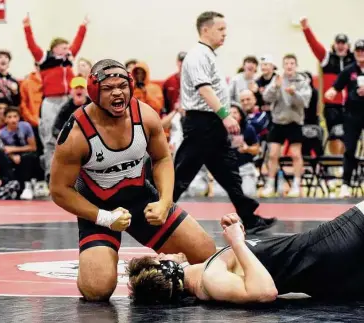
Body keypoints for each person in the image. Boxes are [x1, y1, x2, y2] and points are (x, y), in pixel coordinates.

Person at [49, 59, 216, 302]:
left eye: (122, 86)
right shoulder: (77, 133)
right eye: (108, 88)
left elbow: (161, 159)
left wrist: (165, 202)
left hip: (140, 199)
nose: (117, 92)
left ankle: (159, 265)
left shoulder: (145, 116)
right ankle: (99, 259)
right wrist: (104, 218)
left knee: (206, 253)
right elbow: (59, 190)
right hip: (97, 209)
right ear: (95, 92)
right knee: (97, 291)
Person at [127, 201, 364, 304]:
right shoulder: (209, 280)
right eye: (159, 258)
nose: (162, 253)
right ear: (167, 268)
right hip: (332, 246)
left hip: (328, 264)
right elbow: (264, 291)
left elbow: (257, 265)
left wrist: (239, 236)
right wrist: (238, 241)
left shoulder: (209, 274)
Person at [173, 11, 274, 233]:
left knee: (228, 170)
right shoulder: (198, 55)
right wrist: (225, 115)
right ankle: (157, 213)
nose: (224, 34)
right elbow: (204, 89)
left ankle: (248, 217)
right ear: (205, 29)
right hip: (202, 122)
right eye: (221, 29)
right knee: (183, 170)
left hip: (211, 123)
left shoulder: (208, 55)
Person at [23, 13, 89, 180]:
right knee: (50, 138)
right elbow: (32, 46)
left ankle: (71, 175)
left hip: (67, 100)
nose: (68, 49)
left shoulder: (69, 59)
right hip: (51, 101)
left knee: (72, 136)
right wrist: (27, 27)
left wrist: (83, 26)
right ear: (55, 48)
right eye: (64, 47)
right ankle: (51, 175)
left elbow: (78, 43)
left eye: (68, 47)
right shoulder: (44, 58)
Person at [300, 17, 355, 156]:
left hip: (352, 105)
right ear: (334, 45)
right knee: (335, 135)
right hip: (332, 106)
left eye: (343, 43)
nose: (341, 46)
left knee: (349, 136)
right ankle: (337, 166)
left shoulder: (355, 60)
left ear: (348, 45)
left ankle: (346, 165)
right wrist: (306, 29)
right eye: (338, 43)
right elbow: (314, 45)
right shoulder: (326, 59)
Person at [261, 54, 312, 198]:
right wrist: (275, 88)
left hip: (295, 122)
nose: (289, 66)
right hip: (278, 122)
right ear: (283, 66)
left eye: (292, 63)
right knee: (272, 154)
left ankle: (296, 185)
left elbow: (305, 103)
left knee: (296, 155)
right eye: (287, 63)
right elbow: (266, 98)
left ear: (296, 65)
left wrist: (294, 93)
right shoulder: (277, 79)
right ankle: (270, 184)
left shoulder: (302, 81)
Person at [325, 39, 364, 198]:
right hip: (352, 115)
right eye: (358, 51)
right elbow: (335, 88)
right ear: (354, 52)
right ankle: (345, 184)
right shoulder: (349, 70)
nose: (361, 53)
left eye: (363, 50)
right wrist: (331, 92)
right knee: (349, 149)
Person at [0, 106, 44, 200]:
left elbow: (33, 147)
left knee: (29, 158)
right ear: (5, 119)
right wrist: (12, 156)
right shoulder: (2, 133)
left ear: (19, 117)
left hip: (27, 153)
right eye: (10, 117)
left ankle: (29, 185)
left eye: (15, 116)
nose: (13, 119)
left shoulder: (26, 126)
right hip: (12, 157)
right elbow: (5, 150)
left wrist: (13, 149)